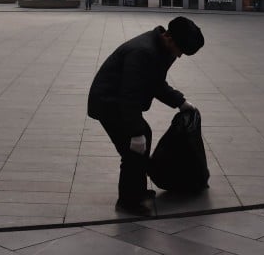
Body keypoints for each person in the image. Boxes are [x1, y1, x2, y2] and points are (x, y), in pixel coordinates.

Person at [87, 16, 205, 215]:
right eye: (181, 50)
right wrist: (134, 131)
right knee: (133, 149)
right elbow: (129, 94)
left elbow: (155, 83)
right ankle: (127, 201)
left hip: (119, 100)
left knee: (143, 138)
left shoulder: (162, 49)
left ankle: (137, 191)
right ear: (169, 38)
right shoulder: (144, 52)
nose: (180, 56)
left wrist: (180, 102)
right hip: (108, 102)